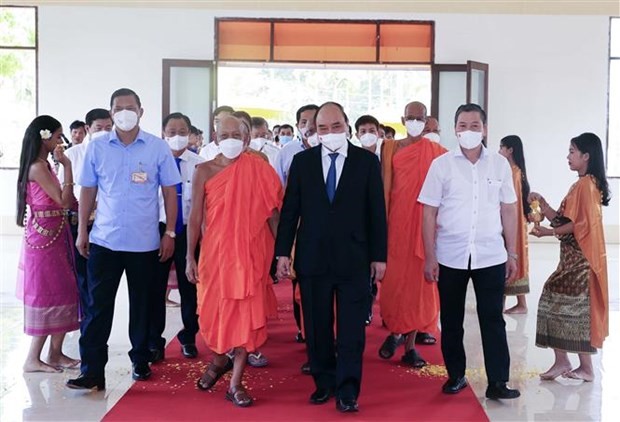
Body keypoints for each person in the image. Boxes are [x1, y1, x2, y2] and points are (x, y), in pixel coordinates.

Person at [275, 102, 387, 413]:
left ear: (347, 126)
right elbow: (289, 212)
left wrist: (380, 256)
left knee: (351, 329)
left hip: (355, 258)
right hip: (313, 258)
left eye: (335, 126)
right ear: (314, 131)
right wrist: (283, 251)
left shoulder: (366, 162)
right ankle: (324, 382)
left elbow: (377, 212)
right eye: (322, 128)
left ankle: (348, 390)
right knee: (317, 325)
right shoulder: (303, 162)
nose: (329, 133)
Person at [66, 88, 181, 390]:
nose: (125, 112)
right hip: (105, 240)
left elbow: (170, 191)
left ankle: (140, 360)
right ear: (111, 112)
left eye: (130, 107)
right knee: (97, 307)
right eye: (119, 108)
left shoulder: (157, 148)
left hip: (145, 243)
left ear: (141, 111)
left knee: (142, 305)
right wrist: (82, 232)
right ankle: (92, 370)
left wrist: (170, 231)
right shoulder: (98, 147)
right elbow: (88, 190)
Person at [419, 103, 521, 400]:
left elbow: (509, 209)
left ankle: (498, 382)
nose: (468, 131)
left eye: (475, 125)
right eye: (463, 125)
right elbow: (428, 212)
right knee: (451, 320)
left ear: (485, 129)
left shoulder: (499, 165)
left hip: (490, 254)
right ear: (455, 129)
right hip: (450, 254)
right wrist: (429, 255)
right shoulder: (441, 165)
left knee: (493, 319)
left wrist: (511, 252)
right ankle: (456, 375)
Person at [186, 115, 281, 408]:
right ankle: (218, 360)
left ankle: (236, 382)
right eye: (224, 134)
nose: (230, 139)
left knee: (243, 315)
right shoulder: (203, 170)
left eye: (236, 135)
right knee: (215, 315)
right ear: (215, 137)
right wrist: (190, 255)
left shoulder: (259, 168)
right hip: (215, 256)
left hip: (251, 255)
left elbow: (273, 213)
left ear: (247, 139)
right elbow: (195, 217)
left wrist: (283, 255)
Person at [530, 132, 609, 382]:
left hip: (580, 261)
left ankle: (567, 362)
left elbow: (577, 226)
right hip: (576, 259)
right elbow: (567, 220)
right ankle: (577, 365)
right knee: (576, 309)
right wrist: (543, 205)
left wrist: (547, 232)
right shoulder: (585, 183)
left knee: (554, 300)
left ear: (586, 156)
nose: (568, 156)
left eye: (572, 151)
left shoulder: (586, 185)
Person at [378, 102, 447, 366]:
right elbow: (383, 187)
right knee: (395, 286)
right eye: (410, 118)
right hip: (395, 225)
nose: (415, 122)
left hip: (425, 226)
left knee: (420, 287)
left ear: (426, 119)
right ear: (402, 119)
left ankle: (408, 344)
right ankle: (395, 329)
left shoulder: (436, 152)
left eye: (419, 118)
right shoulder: (390, 149)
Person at [16, 115, 80, 373]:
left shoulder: (44, 164)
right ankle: (33, 358)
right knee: (47, 293)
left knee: (63, 289)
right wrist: (68, 167)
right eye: (57, 136)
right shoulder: (38, 167)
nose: (60, 142)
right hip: (44, 239)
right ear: (44, 138)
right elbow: (63, 201)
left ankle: (55, 353)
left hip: (55, 233)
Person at [149, 112, 206, 363]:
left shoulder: (200, 164)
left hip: (190, 231)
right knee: (155, 288)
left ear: (190, 134)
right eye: (171, 132)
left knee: (189, 288)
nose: (177, 137)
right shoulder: (153, 161)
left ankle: (189, 337)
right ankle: (154, 341)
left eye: (182, 132)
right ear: (163, 133)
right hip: (158, 231)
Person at [58, 108, 113, 312]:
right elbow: (65, 189)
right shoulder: (73, 154)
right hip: (81, 221)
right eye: (99, 128)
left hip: (106, 223)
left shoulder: (115, 152)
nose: (104, 132)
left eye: (109, 128)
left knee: (102, 277)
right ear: (88, 128)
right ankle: (85, 316)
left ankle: (96, 316)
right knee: (82, 274)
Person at [499, 135, 531, 314]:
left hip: (512, 224)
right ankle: (518, 303)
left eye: (502, 147)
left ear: (510, 150)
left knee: (508, 260)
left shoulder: (512, 172)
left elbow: (510, 203)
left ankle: (506, 304)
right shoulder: (516, 171)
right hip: (516, 223)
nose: (499, 151)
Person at [274, 104, 319, 185]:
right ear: (297, 126)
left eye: (314, 121)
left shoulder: (329, 148)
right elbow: (279, 184)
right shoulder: (286, 151)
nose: (309, 126)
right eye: (304, 122)